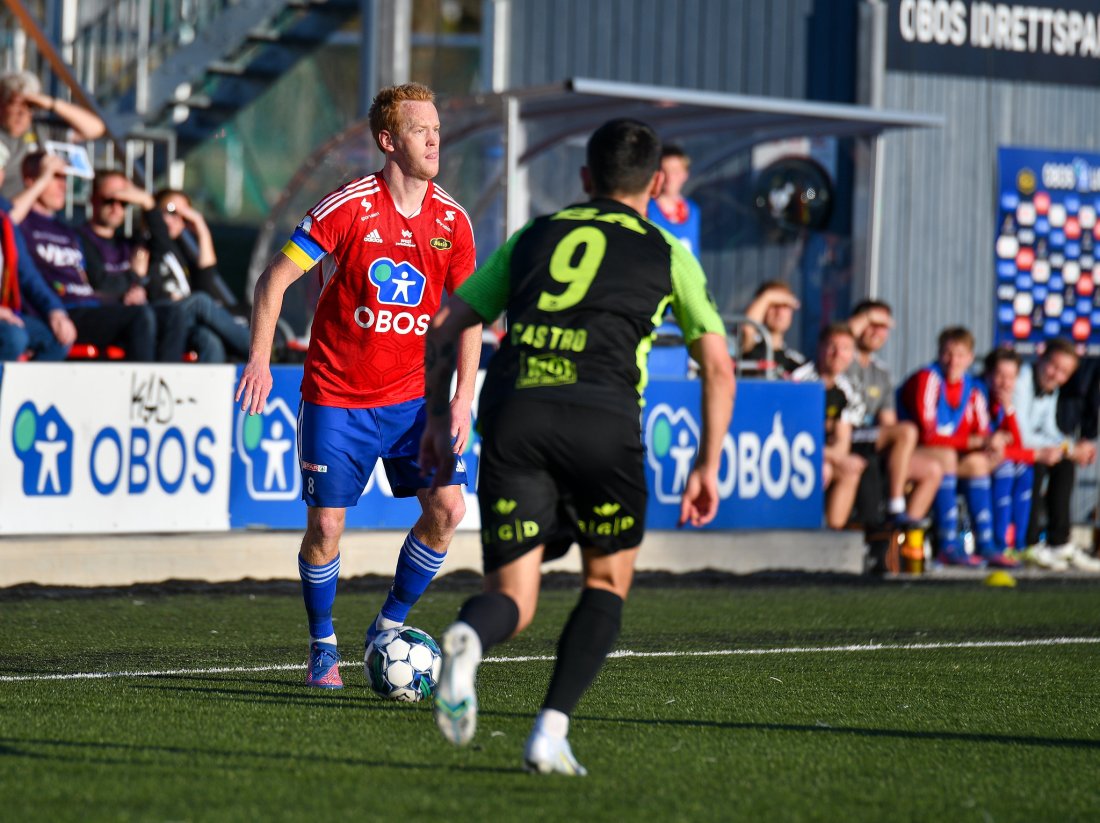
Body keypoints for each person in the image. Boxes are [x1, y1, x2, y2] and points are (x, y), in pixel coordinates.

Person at [420, 118, 735, 775]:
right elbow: (719, 364)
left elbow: (445, 330)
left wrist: (432, 419)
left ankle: (470, 639)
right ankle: (549, 730)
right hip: (603, 417)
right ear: (654, 184)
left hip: (515, 414)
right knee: (605, 580)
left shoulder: (534, 235)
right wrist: (706, 462)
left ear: (585, 179)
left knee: (514, 594)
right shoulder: (667, 248)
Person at [234, 82, 482, 689]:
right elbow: (274, 281)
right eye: (420, 130)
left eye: (437, 130)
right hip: (336, 396)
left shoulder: (452, 220)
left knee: (449, 508)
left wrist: (462, 398)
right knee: (326, 528)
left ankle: (387, 627)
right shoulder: (346, 207)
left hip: (414, 402)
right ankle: (322, 646)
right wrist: (260, 361)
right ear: (387, 141)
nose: (433, 140)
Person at [18, 151, 157, 361]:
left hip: (91, 307)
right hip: (62, 310)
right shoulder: (22, 223)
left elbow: (89, 285)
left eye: (64, 178)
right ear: (31, 180)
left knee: (166, 316)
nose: (63, 186)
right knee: (139, 318)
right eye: (54, 177)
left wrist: (123, 296)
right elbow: (7, 220)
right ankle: (145, 391)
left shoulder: (67, 231)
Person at [898, 327, 1007, 566]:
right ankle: (946, 543)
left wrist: (993, 442)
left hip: (945, 453)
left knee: (981, 463)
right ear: (938, 353)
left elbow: (983, 431)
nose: (952, 361)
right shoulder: (928, 378)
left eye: (959, 354)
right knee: (946, 457)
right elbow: (927, 435)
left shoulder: (973, 387)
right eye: (947, 353)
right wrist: (974, 442)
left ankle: (987, 544)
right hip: (909, 452)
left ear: (970, 357)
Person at [846, 299, 941, 529]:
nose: (877, 331)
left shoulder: (881, 372)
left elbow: (888, 422)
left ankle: (903, 537)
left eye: (883, 326)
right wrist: (867, 318)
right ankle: (895, 507)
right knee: (907, 431)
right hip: (846, 434)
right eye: (872, 323)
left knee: (932, 469)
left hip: (872, 440)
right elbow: (843, 335)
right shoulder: (842, 356)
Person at [77, 169, 189, 362]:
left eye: (123, 203)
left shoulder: (127, 243)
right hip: (100, 315)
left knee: (173, 314)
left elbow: (162, 246)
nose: (116, 208)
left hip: (134, 317)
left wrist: (147, 203)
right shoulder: (79, 239)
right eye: (109, 200)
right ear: (93, 199)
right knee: (142, 316)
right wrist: (134, 277)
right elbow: (99, 283)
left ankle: (166, 383)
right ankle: (144, 388)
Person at [1012, 338, 1100, 572]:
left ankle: (1059, 543)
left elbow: (1050, 430)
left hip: (1026, 449)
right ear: (1040, 359)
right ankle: (1028, 542)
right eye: (1053, 366)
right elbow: (1022, 434)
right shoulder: (1021, 379)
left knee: (1063, 464)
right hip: (1009, 451)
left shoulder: (1050, 390)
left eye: (1063, 373)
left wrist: (1071, 448)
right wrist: (1068, 450)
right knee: (1039, 462)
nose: (1055, 376)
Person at [0, 147, 75, 360]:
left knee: (57, 337)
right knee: (13, 337)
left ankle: (22, 393)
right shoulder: (9, 215)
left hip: (7, 314)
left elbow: (27, 272)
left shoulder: (3, 214)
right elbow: (15, 213)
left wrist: (55, 311)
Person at [792, 324, 866, 529]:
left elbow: (842, 441)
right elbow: (790, 433)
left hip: (824, 455)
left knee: (850, 469)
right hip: (791, 451)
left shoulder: (848, 390)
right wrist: (829, 457)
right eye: (832, 346)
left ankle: (833, 540)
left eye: (845, 348)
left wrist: (834, 457)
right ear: (820, 347)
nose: (837, 354)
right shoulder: (798, 380)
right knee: (824, 467)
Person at [0, 70, 106, 200]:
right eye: (14, 104)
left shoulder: (42, 129)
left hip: (36, 213)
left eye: (29, 105)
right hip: (6, 213)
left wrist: (51, 104)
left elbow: (95, 129)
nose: (22, 112)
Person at [982, 348, 1040, 565]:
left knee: (1025, 469)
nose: (1005, 383)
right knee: (1007, 468)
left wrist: (1008, 409)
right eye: (999, 375)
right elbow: (995, 448)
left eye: (1010, 377)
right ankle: (998, 544)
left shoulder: (1003, 403)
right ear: (987, 375)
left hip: (998, 458)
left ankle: (1020, 543)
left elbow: (1017, 445)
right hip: (975, 460)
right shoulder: (979, 395)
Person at [739, 280, 806, 378]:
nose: (779, 312)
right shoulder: (746, 347)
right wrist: (767, 296)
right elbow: (747, 328)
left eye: (785, 305)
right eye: (773, 304)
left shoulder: (797, 363)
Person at [646, 143, 701, 256]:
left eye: (675, 171)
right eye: (665, 172)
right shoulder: (646, 209)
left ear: (685, 174)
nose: (670, 178)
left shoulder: (693, 210)